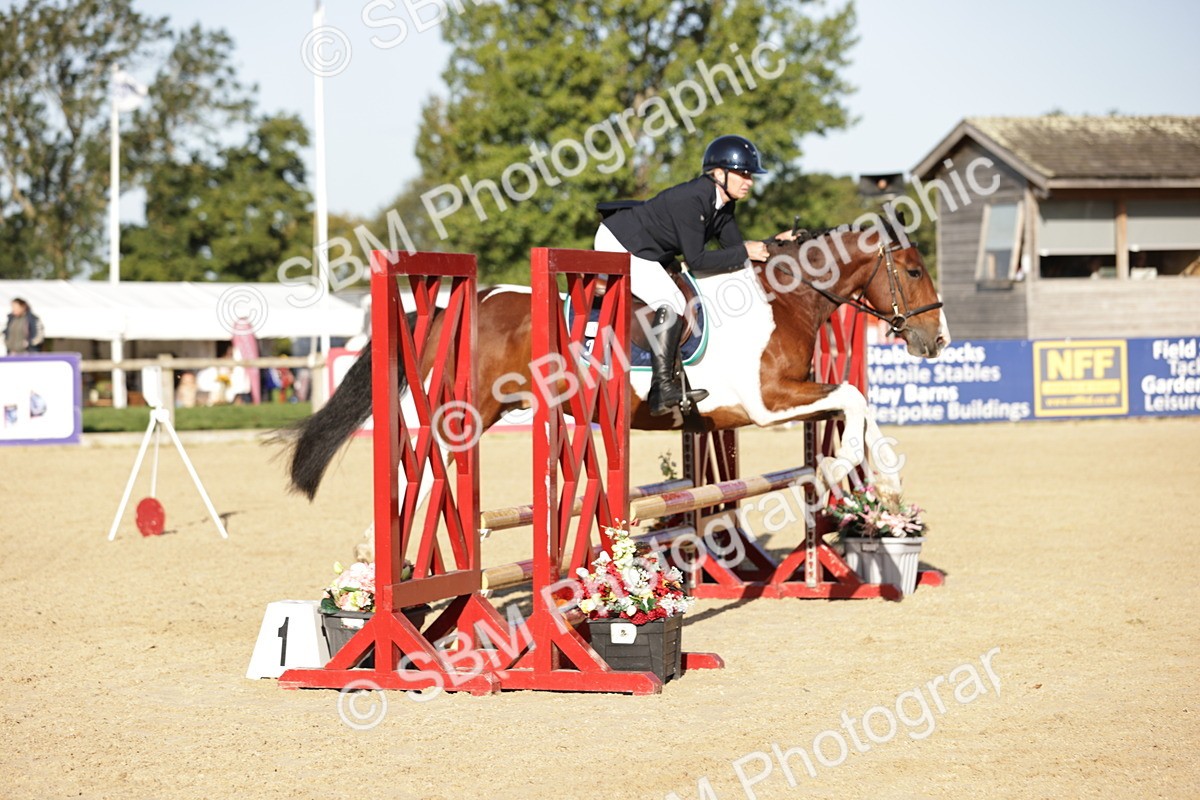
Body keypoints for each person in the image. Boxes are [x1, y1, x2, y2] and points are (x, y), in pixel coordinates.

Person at [595, 135, 794, 415]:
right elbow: (697, 260)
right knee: (673, 302)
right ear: (718, 173)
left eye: (750, 175)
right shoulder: (692, 199)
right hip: (621, 242)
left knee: (678, 297)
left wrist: (774, 244)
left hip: (649, 249)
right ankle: (661, 389)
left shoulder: (724, 205)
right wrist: (747, 251)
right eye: (742, 174)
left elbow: (737, 251)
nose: (748, 181)